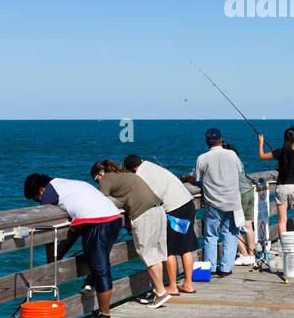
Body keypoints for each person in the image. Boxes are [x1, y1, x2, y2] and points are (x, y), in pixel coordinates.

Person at [25, 171, 124, 318]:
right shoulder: (65, 185)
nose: (39, 202)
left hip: (98, 221)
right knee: (100, 264)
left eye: (36, 198)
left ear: (41, 190)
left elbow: (48, 226)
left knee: (100, 270)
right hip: (114, 218)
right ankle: (94, 290)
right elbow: (74, 232)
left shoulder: (49, 193)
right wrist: (58, 256)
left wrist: (52, 260)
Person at [90, 160, 171, 307]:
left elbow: (99, 200)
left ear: (100, 174)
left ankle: (160, 292)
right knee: (156, 254)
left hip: (144, 213)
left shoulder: (106, 178)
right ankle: (159, 291)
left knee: (148, 254)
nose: (98, 182)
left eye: (96, 179)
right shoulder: (124, 174)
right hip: (158, 210)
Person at [124, 154, 199, 295]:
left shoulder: (140, 175)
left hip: (174, 210)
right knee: (185, 247)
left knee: (169, 249)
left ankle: (172, 286)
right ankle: (188, 284)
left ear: (133, 169)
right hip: (188, 204)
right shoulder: (151, 166)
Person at [193, 128, 246, 275]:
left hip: (213, 204)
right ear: (221, 140)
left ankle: (210, 268)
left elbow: (197, 178)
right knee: (230, 233)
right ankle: (226, 268)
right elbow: (240, 171)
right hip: (232, 201)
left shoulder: (202, 158)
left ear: (207, 142)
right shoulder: (232, 155)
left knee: (211, 235)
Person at [257, 128, 294, 255]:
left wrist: (261, 142)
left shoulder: (279, 152)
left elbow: (261, 156)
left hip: (281, 187)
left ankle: (284, 249)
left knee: (281, 220)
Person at [221, 142, 258, 265]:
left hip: (238, 195)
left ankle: (244, 254)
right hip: (248, 191)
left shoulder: (226, 161)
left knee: (233, 225)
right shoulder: (238, 160)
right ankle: (251, 255)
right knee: (248, 225)